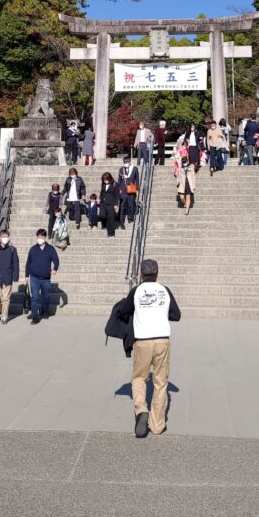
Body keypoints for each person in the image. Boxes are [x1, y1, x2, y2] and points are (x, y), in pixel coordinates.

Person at [117, 259, 181, 438]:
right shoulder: (164, 290)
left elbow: (124, 312)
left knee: (139, 378)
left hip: (142, 340)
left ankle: (141, 409)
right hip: (162, 340)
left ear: (141, 274)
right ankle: (157, 425)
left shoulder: (136, 291)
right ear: (157, 274)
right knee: (160, 382)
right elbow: (176, 315)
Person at [25, 229, 59, 324]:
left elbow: (56, 259)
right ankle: (35, 316)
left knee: (46, 296)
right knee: (34, 297)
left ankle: (45, 310)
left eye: (42, 237)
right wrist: (27, 276)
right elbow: (28, 263)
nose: (40, 239)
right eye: (38, 237)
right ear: (37, 237)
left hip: (46, 279)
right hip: (34, 277)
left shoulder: (50, 249)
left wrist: (55, 268)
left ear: (45, 237)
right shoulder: (33, 249)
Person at [117, 155, 139, 228]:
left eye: (127, 162)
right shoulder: (121, 169)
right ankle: (121, 220)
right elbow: (119, 180)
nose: (126, 163)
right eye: (124, 162)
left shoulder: (135, 169)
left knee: (131, 204)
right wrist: (118, 188)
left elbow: (137, 179)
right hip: (123, 189)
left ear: (129, 162)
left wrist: (137, 189)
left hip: (132, 188)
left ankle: (130, 217)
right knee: (122, 205)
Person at [99, 172, 119, 237]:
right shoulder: (103, 184)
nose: (105, 181)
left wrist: (116, 204)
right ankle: (105, 226)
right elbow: (102, 192)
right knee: (103, 216)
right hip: (103, 203)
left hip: (111, 203)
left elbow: (117, 195)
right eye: (104, 180)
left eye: (106, 179)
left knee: (111, 218)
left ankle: (111, 233)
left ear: (109, 178)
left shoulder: (115, 184)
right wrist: (100, 199)